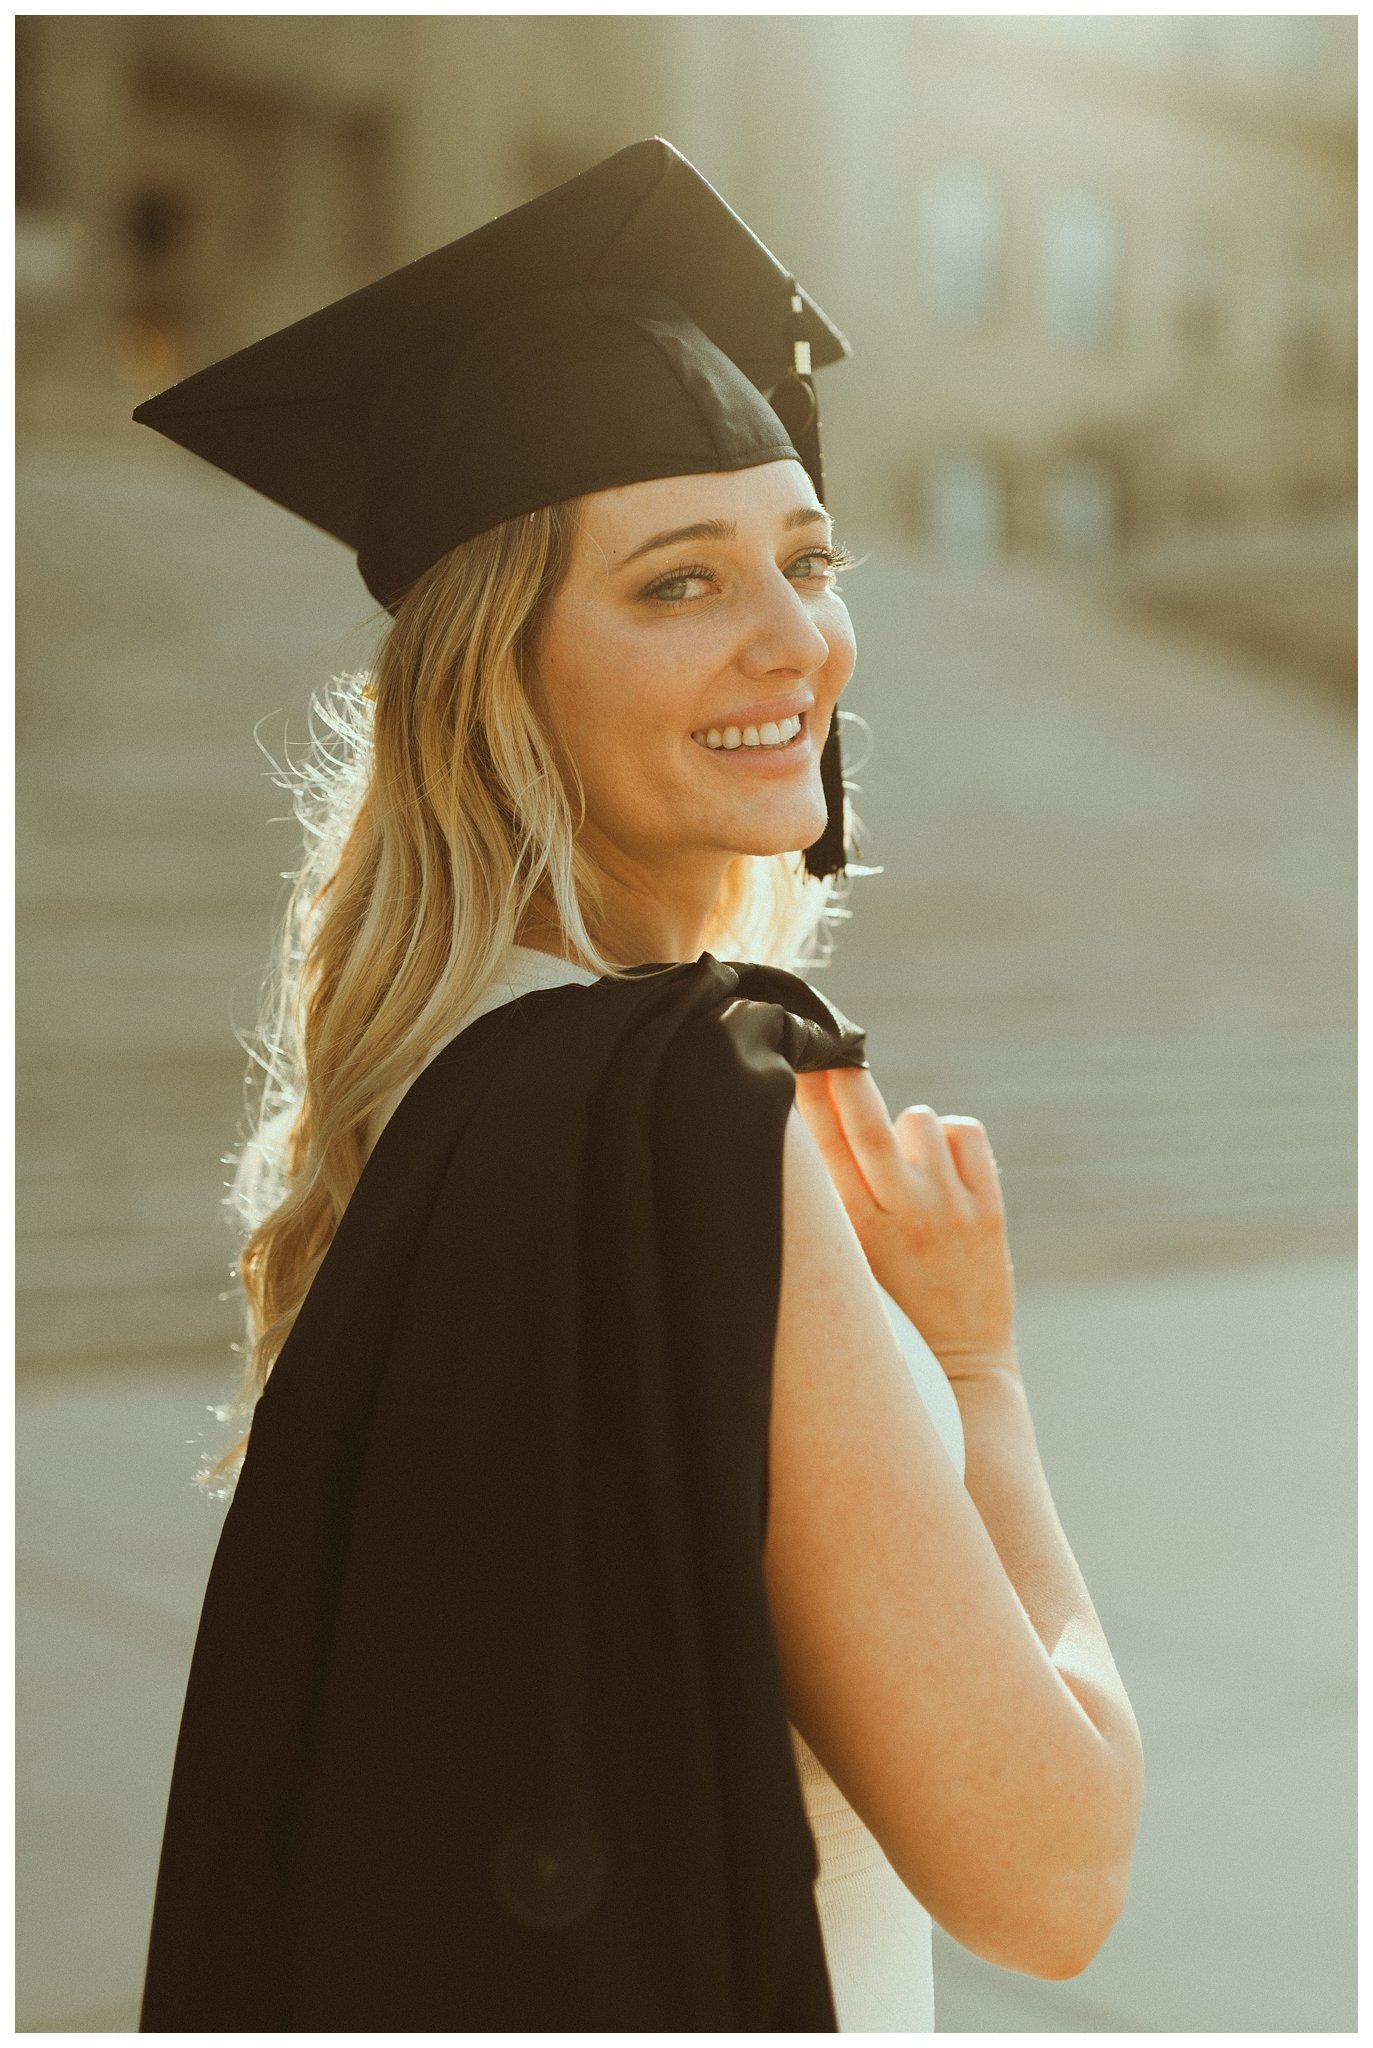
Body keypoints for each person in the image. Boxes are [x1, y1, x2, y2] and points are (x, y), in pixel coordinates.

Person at [131, 138, 1143, 2032]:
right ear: (489, 680)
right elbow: (1052, 1876)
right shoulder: (684, 1120)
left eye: (804, 555)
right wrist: (982, 1380)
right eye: (677, 584)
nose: (794, 641)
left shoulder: (436, 1088)